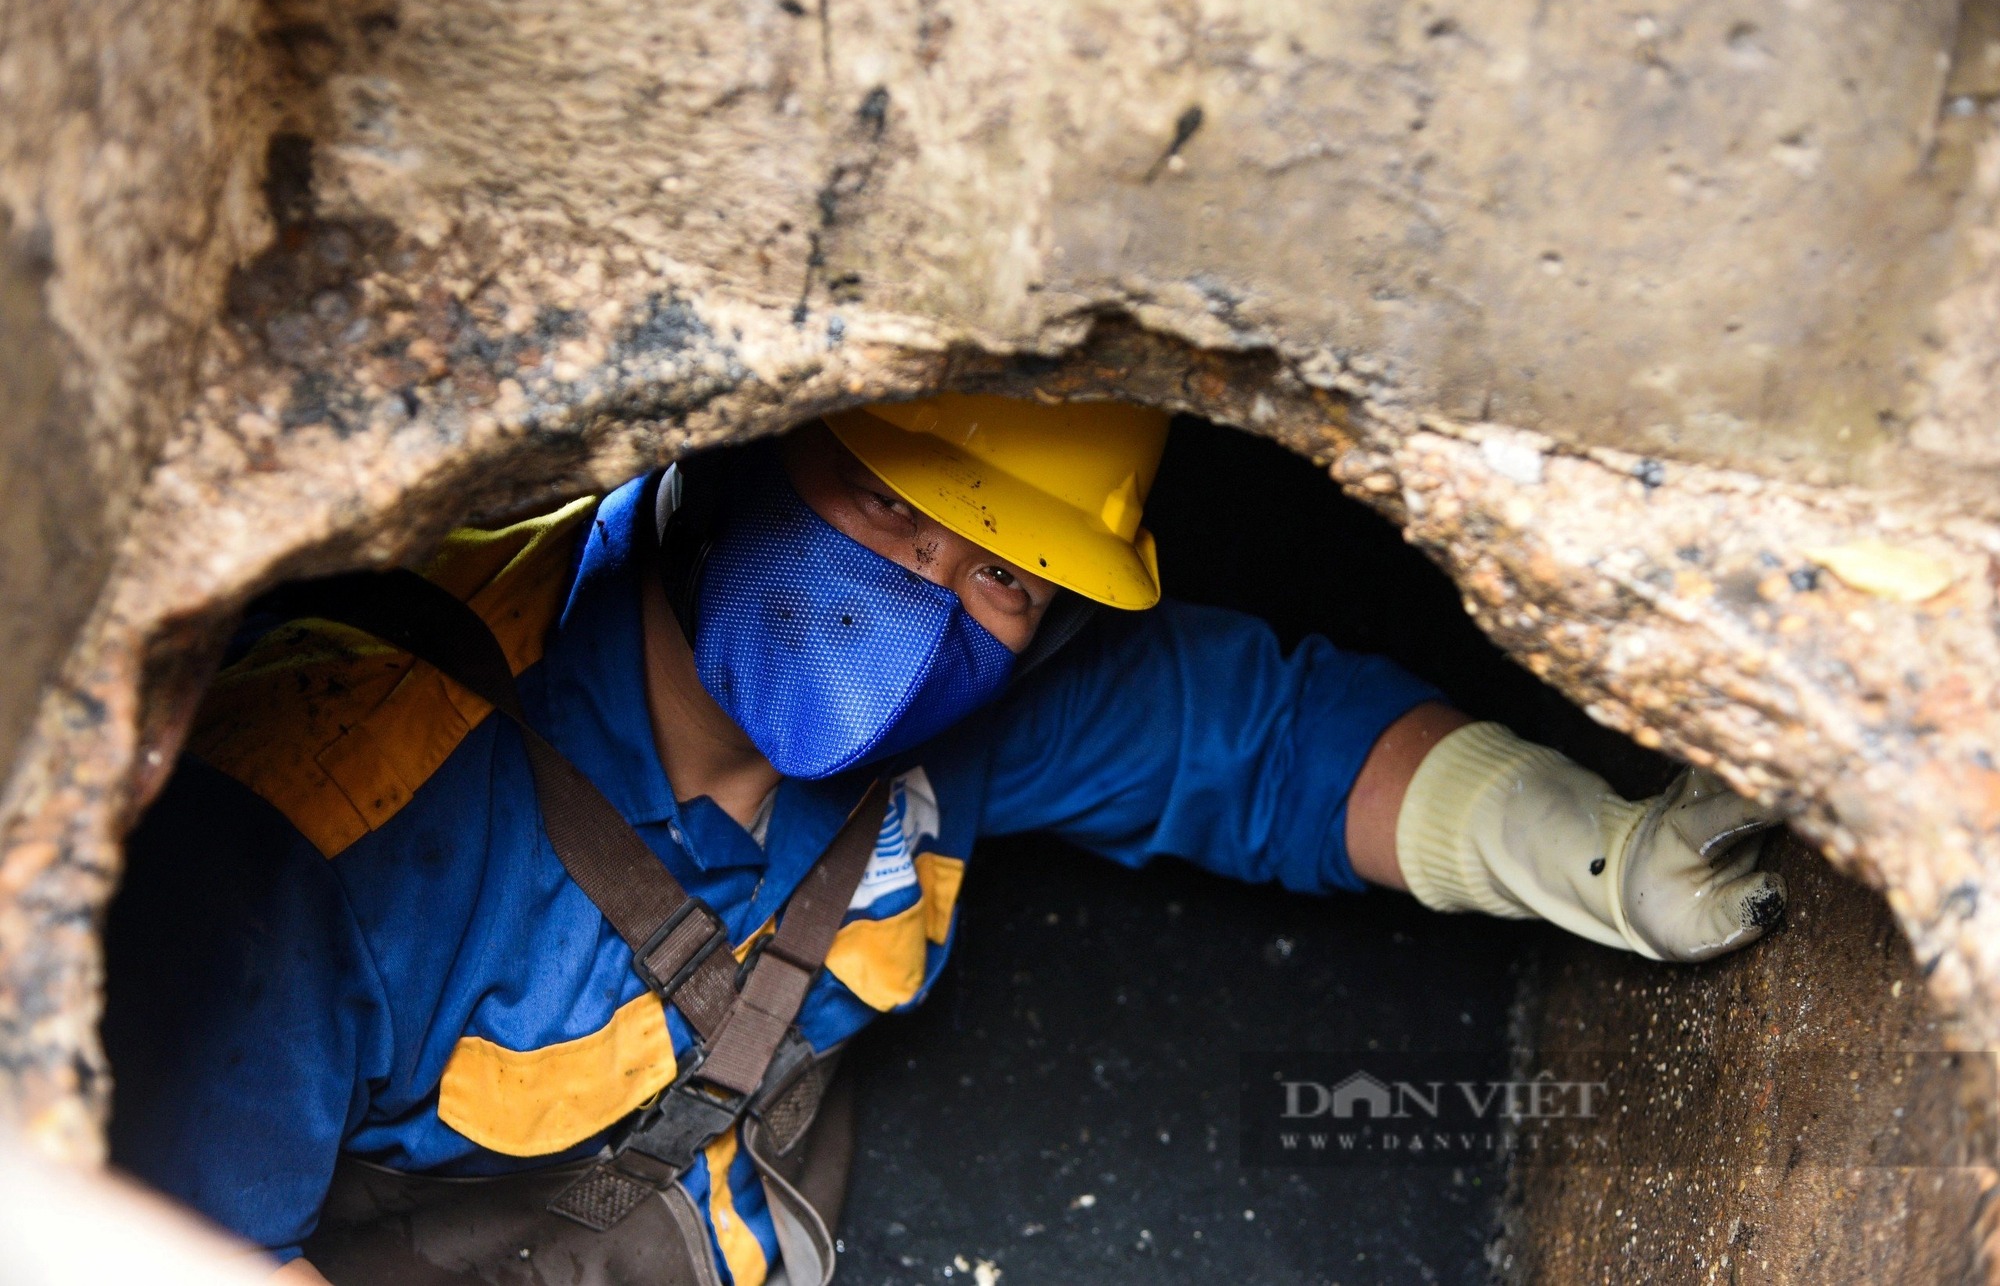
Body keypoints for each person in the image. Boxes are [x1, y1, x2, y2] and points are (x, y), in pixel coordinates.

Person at [103, 394, 1786, 1285]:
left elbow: (1260, 740)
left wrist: (1582, 849)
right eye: (892, 505)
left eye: (997, 569)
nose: (917, 607)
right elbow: (169, 1249)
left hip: (700, 1232)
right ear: (760, 426)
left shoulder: (981, 708)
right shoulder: (335, 799)